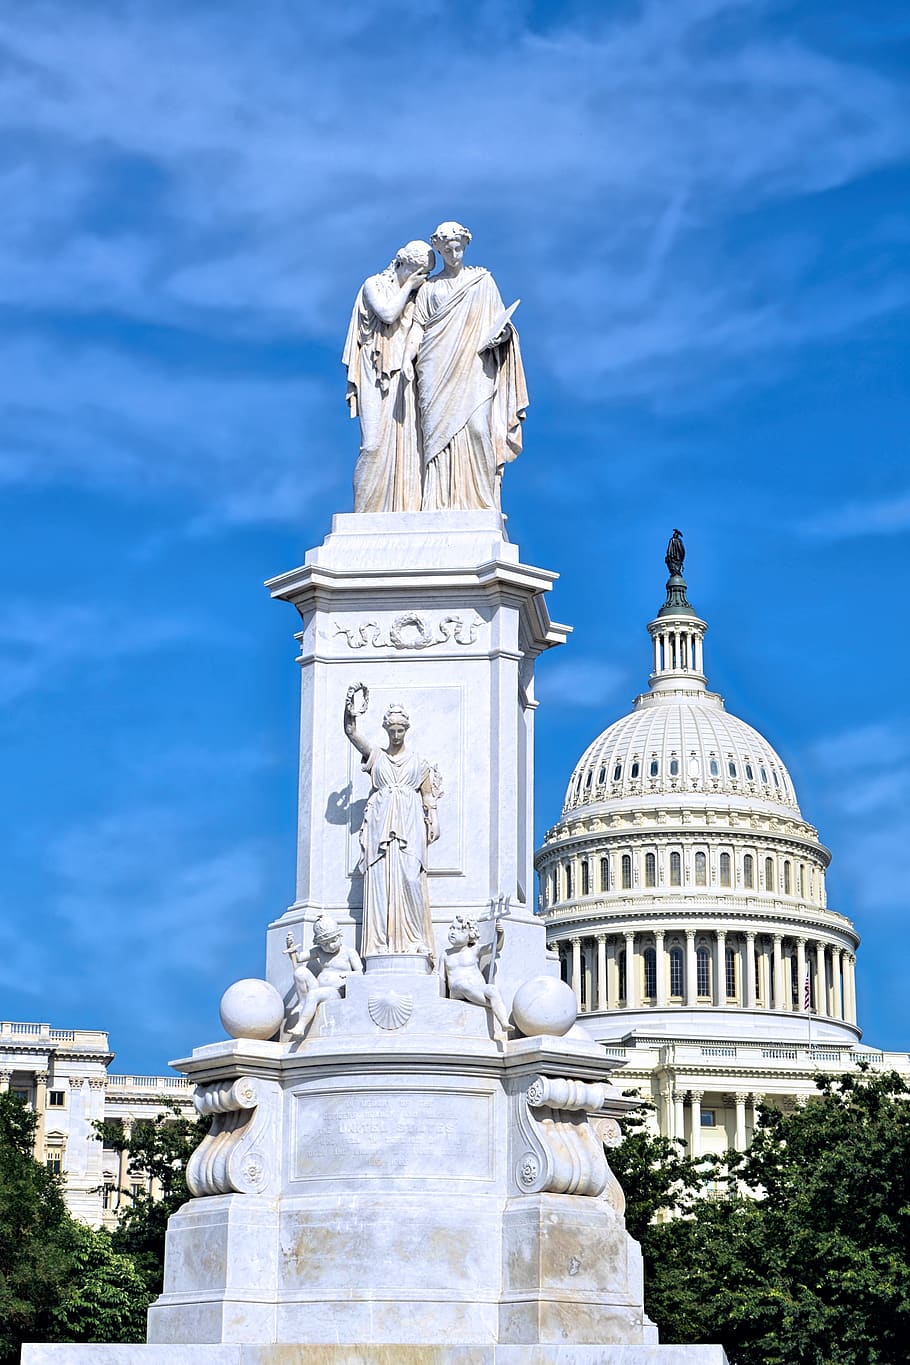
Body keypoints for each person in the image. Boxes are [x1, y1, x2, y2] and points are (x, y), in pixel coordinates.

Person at [408, 221, 528, 511]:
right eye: (447, 249)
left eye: (458, 247)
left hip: (475, 365)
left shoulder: (482, 281)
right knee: (434, 436)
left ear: (465, 246)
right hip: (435, 366)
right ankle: (436, 501)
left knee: (477, 428)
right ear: (439, 249)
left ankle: (479, 501)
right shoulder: (429, 288)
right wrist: (403, 363)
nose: (454, 253)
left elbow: (502, 321)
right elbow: (417, 327)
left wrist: (504, 334)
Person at [343, 685, 441, 959]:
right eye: (391, 730)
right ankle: (382, 941)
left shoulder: (419, 763)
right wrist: (349, 711)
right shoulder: (377, 757)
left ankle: (415, 938)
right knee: (382, 883)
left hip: (410, 823)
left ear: (406, 730)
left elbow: (428, 795)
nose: (396, 734)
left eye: (400, 730)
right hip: (381, 823)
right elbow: (351, 733)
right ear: (386, 730)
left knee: (411, 878)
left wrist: (433, 820)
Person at [343, 240, 435, 512]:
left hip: (405, 373)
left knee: (409, 448)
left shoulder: (419, 296)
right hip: (374, 369)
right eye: (417, 270)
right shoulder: (374, 284)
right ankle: (363, 513)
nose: (421, 278)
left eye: (425, 273)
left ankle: (405, 508)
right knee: (372, 445)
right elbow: (386, 314)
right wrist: (409, 288)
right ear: (401, 261)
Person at [283, 915, 363, 1038]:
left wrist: (348, 974)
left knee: (314, 994)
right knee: (300, 972)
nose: (329, 946)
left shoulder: (349, 952)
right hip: (317, 987)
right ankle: (302, 1002)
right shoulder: (319, 951)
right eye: (324, 944)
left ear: (339, 936)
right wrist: (291, 949)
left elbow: (360, 973)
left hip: (335, 991)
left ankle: (301, 1026)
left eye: (333, 941)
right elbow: (299, 959)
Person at [441, 914, 510, 1031]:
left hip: (477, 987)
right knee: (462, 984)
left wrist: (500, 934)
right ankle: (490, 1004)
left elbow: (495, 948)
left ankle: (504, 1022)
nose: (453, 932)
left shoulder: (474, 950)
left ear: (470, 935)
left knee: (492, 989)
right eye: (452, 928)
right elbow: (441, 977)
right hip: (457, 990)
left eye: (459, 930)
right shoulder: (446, 954)